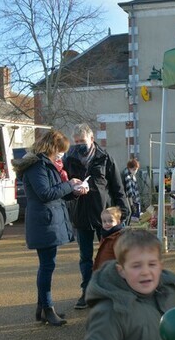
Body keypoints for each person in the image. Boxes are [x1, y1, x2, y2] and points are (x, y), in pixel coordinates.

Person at [76, 229, 175, 340]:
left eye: (152, 264)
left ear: (161, 266)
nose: (145, 272)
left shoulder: (165, 296)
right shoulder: (110, 312)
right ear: (121, 271)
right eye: (136, 266)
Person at [14, 130, 85, 327]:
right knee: (47, 266)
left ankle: (42, 308)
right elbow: (45, 193)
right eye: (60, 151)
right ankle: (47, 308)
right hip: (43, 221)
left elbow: (57, 193)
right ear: (52, 148)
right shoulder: (38, 166)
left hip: (48, 220)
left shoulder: (45, 164)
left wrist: (75, 191)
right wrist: (70, 184)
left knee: (47, 265)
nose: (61, 155)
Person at [64, 123, 129, 310]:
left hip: (105, 217)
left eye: (82, 141)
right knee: (85, 257)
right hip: (81, 215)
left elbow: (117, 187)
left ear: (91, 139)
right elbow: (66, 190)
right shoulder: (70, 159)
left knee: (109, 256)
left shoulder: (105, 158)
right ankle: (87, 291)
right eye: (75, 142)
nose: (79, 145)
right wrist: (73, 191)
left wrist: (123, 212)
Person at [92, 207, 125, 271]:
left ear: (118, 222)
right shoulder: (105, 235)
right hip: (103, 269)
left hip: (113, 271)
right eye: (104, 221)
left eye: (110, 221)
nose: (107, 223)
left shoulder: (118, 237)